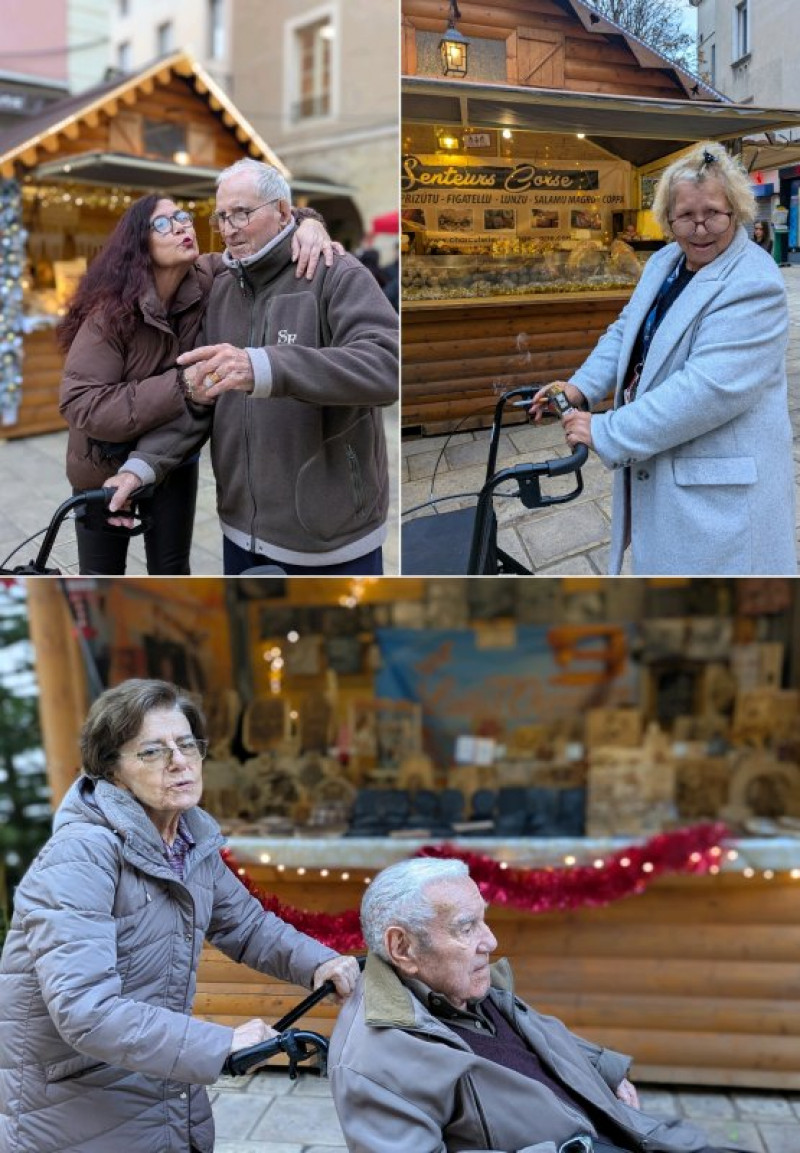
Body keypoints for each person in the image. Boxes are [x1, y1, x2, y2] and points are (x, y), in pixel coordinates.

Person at [0, 678, 359, 1153]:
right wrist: (219, 1045)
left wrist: (318, 962)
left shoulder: (188, 842)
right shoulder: (81, 856)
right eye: (152, 751)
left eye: (186, 744)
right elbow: (85, 1010)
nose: (179, 760)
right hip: (76, 1100)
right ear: (112, 771)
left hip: (153, 1073)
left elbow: (247, 927)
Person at [329, 858, 753, 1153]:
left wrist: (603, 1068)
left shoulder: (457, 988)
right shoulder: (374, 1060)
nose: (490, 941)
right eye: (466, 926)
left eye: (483, 918)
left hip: (623, 1130)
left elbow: (536, 1037)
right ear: (402, 947)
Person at [106, 158, 399, 576]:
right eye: (222, 215)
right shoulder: (220, 288)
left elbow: (387, 366)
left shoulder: (334, 270)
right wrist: (141, 467)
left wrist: (263, 367)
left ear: (282, 212)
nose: (229, 227)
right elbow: (200, 397)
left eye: (242, 212)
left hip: (329, 540)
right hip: (240, 531)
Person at [530, 141, 796, 576]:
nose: (699, 228)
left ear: (737, 209)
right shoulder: (667, 261)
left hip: (719, 496)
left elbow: (706, 391)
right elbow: (626, 330)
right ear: (668, 218)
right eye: (685, 216)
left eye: (713, 212)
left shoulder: (753, 282)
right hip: (675, 477)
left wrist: (606, 429)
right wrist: (580, 387)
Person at [58, 194, 334, 575]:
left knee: (172, 571)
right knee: (101, 578)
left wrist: (308, 222)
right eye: (162, 224)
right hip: (103, 462)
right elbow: (81, 404)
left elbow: (263, 237)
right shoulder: (109, 313)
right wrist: (183, 386)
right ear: (139, 246)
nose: (182, 226)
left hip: (172, 453)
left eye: (183, 217)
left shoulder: (209, 276)